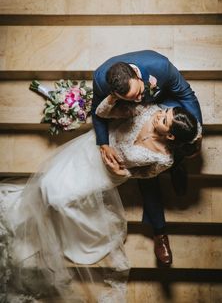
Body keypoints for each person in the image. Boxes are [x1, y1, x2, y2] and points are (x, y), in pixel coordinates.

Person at [0, 94, 198, 302]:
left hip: (107, 174)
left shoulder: (164, 158)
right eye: (165, 112)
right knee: (47, 183)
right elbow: (102, 112)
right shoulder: (149, 110)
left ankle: (82, 233)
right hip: (94, 147)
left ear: (171, 137)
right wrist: (113, 98)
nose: (160, 116)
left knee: (60, 200)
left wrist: (124, 174)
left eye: (164, 120)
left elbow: (147, 173)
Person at [92, 50, 203, 266]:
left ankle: (178, 162)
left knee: (171, 152)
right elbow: (98, 113)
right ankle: (160, 232)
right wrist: (104, 144)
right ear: (116, 94)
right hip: (129, 132)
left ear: (137, 74)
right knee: (150, 183)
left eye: (140, 92)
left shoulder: (159, 67)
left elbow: (186, 95)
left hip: (164, 110)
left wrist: (195, 135)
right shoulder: (104, 83)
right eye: (133, 98)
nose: (140, 99)